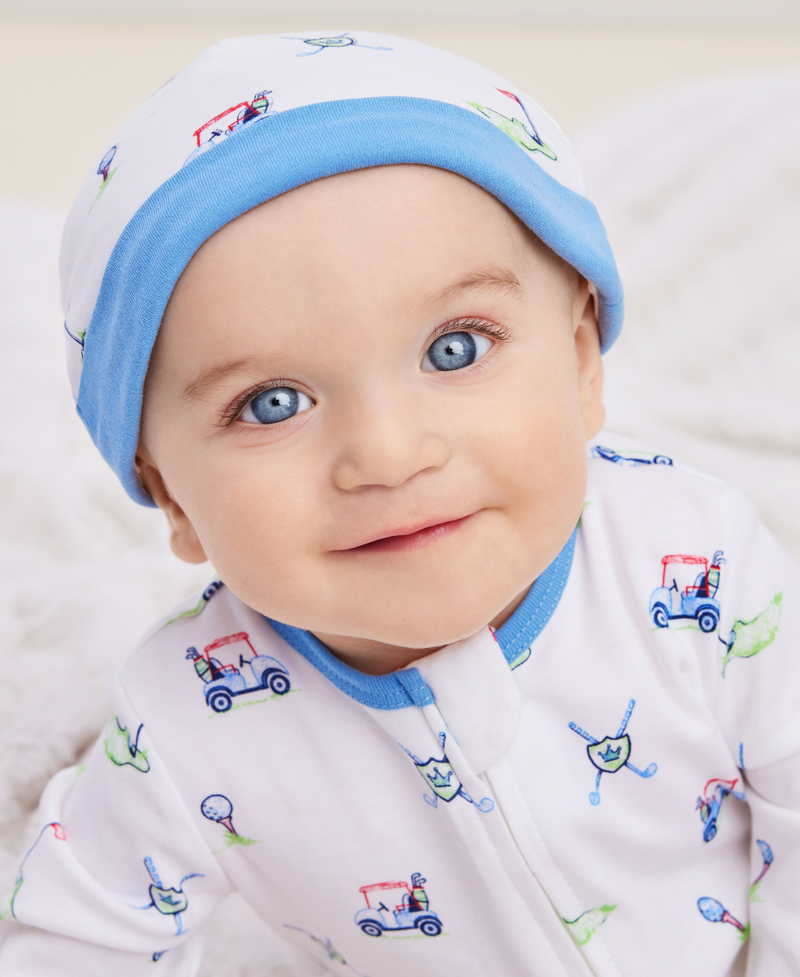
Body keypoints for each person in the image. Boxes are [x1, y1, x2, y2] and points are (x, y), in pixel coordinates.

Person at [0, 31, 797, 977]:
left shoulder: (692, 555)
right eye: (272, 404)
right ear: (171, 495)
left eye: (455, 348)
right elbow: (74, 936)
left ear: (582, 361)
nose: (386, 453)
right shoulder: (184, 722)